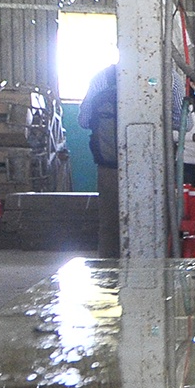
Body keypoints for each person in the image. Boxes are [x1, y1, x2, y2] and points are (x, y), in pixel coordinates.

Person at [79, 62, 120, 256]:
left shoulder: (102, 78)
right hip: (154, 168)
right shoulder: (169, 78)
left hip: (110, 166)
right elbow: (184, 124)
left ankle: (108, 277)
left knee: (109, 224)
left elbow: (84, 120)